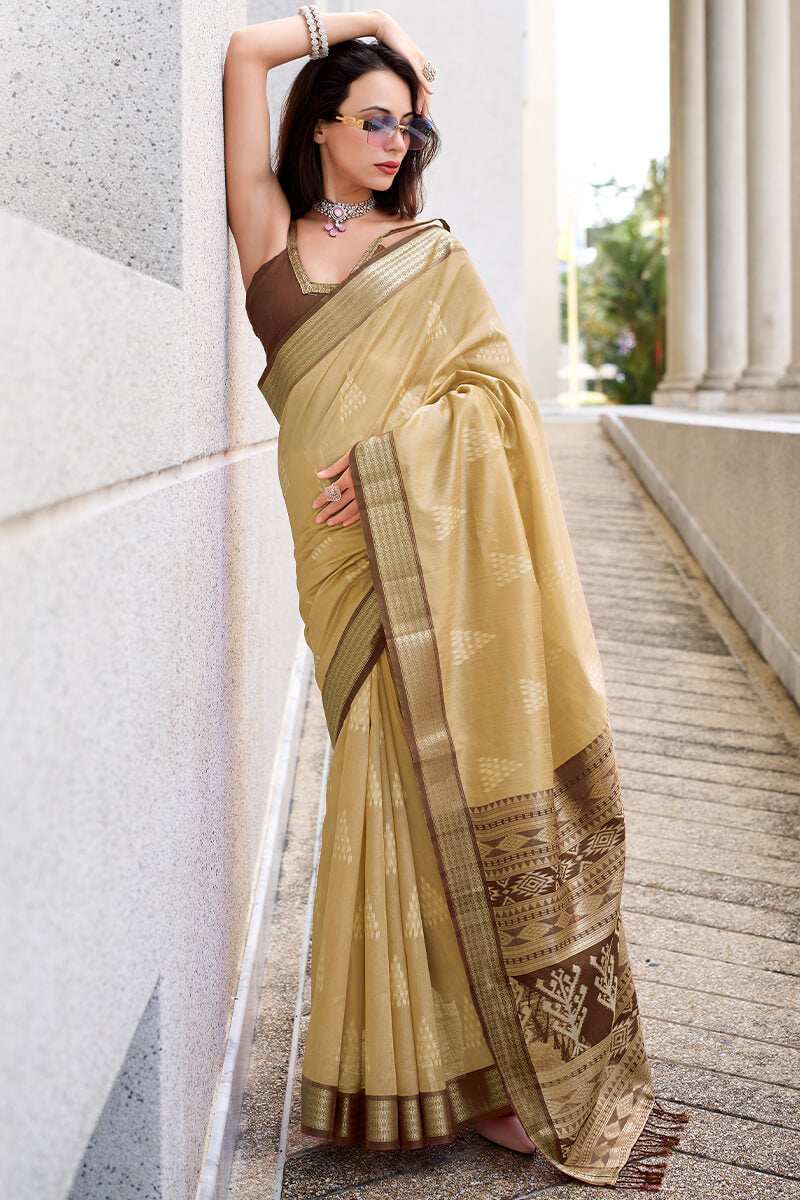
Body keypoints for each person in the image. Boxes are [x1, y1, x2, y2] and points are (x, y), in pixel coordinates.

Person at [222, 7, 688, 1190]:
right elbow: (240, 56)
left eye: (408, 121)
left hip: (411, 545)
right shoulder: (269, 235)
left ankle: (496, 1078)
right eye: (371, 119)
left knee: (437, 791)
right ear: (318, 128)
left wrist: (393, 470)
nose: (395, 138)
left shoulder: (428, 250)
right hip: (336, 571)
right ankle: (421, 1071)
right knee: (378, 793)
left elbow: (495, 400)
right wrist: (366, 22)